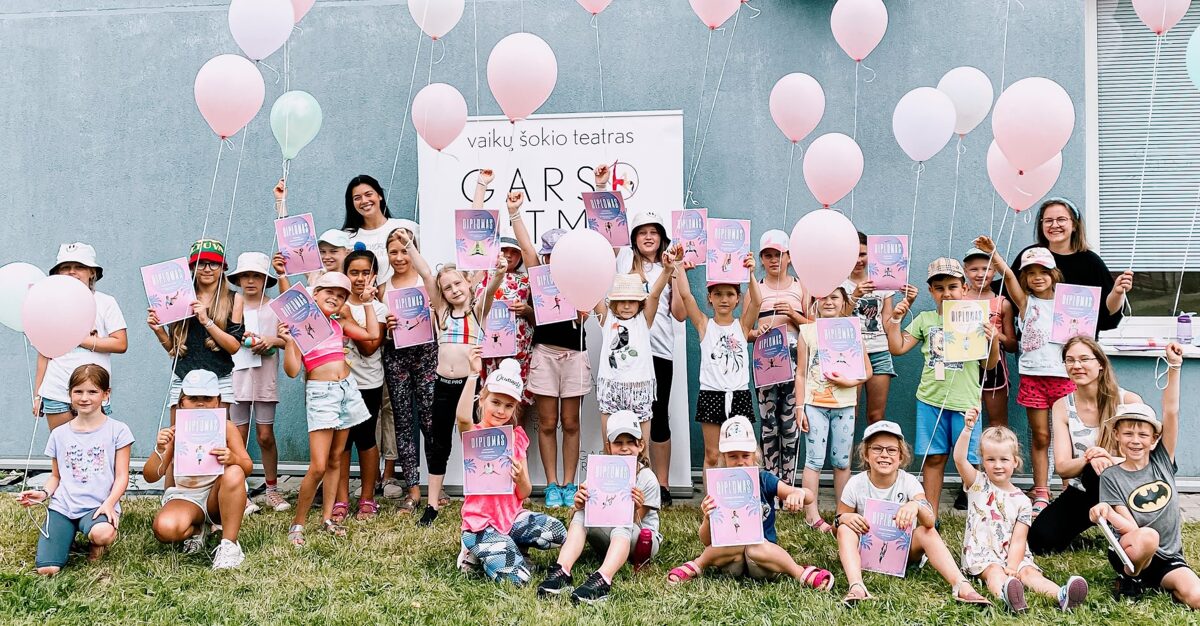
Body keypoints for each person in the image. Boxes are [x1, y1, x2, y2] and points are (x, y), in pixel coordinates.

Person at [884, 258, 1000, 513]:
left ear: (964, 289)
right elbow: (897, 347)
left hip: (966, 403)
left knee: (969, 461)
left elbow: (989, 366)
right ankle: (931, 513)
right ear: (931, 291)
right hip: (930, 400)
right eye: (939, 288)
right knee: (934, 457)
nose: (946, 293)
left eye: (952, 287)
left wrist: (994, 342)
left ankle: (977, 514)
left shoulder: (976, 319)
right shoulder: (925, 319)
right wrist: (895, 320)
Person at [665, 416, 833, 590]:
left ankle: (798, 572)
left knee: (754, 548)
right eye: (733, 456)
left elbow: (809, 496)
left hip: (762, 558)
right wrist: (707, 519)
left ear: (755, 455)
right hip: (731, 559)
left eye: (746, 455)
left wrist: (798, 494)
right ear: (724, 458)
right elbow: (707, 540)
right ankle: (698, 565)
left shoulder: (764, 480)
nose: (740, 461)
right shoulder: (719, 487)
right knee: (733, 543)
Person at [405, 235, 506, 526]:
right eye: (447, 287)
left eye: (458, 283)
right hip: (442, 386)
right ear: (442, 294)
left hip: (469, 386)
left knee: (474, 442)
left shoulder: (478, 310)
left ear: (468, 283)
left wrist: (498, 271)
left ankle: (480, 500)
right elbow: (425, 272)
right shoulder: (442, 313)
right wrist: (410, 245)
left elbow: (494, 282)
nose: (453, 290)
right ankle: (433, 504)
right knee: (439, 444)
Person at [1092, 344, 1200, 608]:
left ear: (1154, 440)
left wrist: (1174, 367)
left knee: (1196, 597)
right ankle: (1130, 579)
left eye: (1143, 435)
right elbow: (1129, 528)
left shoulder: (1162, 460)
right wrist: (1107, 512)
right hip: (1133, 553)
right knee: (1149, 537)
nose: (1135, 440)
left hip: (1168, 559)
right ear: (1116, 436)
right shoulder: (1112, 476)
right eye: (1128, 433)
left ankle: (1169, 586)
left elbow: (1171, 412)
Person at [837, 421, 989, 605]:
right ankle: (857, 587)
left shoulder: (909, 482)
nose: (884, 454)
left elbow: (930, 520)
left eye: (891, 450)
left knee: (928, 532)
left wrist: (915, 505)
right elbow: (836, 527)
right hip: (865, 552)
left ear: (901, 457)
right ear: (866, 455)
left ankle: (962, 586)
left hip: (904, 552)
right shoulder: (856, 483)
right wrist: (844, 518)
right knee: (845, 529)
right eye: (877, 448)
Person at [953, 409, 1089, 612]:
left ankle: (1062, 595)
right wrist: (967, 429)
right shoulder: (977, 484)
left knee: (1030, 574)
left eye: (1004, 459)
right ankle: (1006, 595)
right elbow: (959, 460)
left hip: (1015, 554)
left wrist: (1013, 566)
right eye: (991, 460)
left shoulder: (1023, 501)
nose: (997, 465)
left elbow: (1019, 538)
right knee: (994, 572)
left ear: (1015, 461)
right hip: (983, 554)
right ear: (983, 462)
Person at [978, 239, 1075, 517]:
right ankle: (1042, 490)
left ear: (1053, 273)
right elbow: (1007, 276)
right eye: (1031, 274)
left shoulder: (1067, 304)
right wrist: (994, 255)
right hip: (1034, 377)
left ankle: (1068, 488)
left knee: (1065, 436)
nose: (1037, 278)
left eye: (1043, 272)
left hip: (1062, 377)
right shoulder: (1025, 302)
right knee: (1041, 436)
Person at [280, 272, 379, 545]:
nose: (334, 297)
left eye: (341, 295)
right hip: (321, 393)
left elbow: (372, 334)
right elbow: (291, 371)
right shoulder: (300, 328)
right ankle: (298, 524)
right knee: (318, 465)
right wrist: (289, 341)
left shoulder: (338, 325)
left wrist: (368, 303)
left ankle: (326, 518)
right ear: (314, 295)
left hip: (347, 388)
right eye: (328, 292)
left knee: (337, 458)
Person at [457, 353, 567, 586]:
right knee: (519, 578)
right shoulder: (474, 435)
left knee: (557, 532)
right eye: (495, 402)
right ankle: (475, 550)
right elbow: (461, 418)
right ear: (482, 400)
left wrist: (519, 479)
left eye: (508, 406)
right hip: (480, 524)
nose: (501, 411)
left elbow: (524, 492)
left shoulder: (516, 438)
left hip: (511, 518)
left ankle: (506, 547)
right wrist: (473, 374)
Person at [1028, 336, 1141, 554]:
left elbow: (1143, 461)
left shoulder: (1128, 402)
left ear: (1100, 363)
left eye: (1084, 359)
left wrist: (1106, 458)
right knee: (1039, 541)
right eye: (1069, 360)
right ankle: (1102, 525)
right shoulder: (1062, 405)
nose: (1076, 365)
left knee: (1096, 471)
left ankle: (1126, 530)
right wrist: (1091, 457)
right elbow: (1062, 467)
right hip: (1083, 491)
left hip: (1125, 492)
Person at [17, 365, 132, 576]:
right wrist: (43, 494)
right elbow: (56, 476)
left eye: (92, 391)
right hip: (64, 507)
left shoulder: (118, 430)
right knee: (47, 569)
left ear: (106, 394)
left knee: (102, 533)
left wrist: (109, 504)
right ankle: (64, 536)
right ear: (70, 395)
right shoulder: (59, 434)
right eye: (78, 391)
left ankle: (95, 545)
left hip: (97, 506)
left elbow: (122, 476)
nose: (84, 398)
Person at [537, 410, 661, 604]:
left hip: (641, 542)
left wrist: (636, 507)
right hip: (610, 537)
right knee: (583, 513)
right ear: (609, 447)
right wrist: (578, 504)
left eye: (631, 442)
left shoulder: (647, 478)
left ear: (641, 445)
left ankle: (603, 579)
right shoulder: (600, 473)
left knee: (622, 520)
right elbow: (578, 515)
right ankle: (562, 571)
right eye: (618, 443)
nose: (625, 448)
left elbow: (637, 519)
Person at [143, 369, 252, 570]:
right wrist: (160, 449)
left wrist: (233, 458)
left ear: (217, 401)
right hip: (186, 496)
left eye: (207, 398)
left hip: (217, 497)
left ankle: (229, 545)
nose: (200, 403)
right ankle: (196, 530)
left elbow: (247, 466)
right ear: (182, 402)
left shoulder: (227, 427)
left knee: (235, 472)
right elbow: (151, 476)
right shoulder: (175, 432)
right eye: (193, 398)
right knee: (165, 529)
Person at [616, 199, 686, 507]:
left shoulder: (669, 268)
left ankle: (662, 484)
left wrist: (678, 271)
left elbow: (681, 314)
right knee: (627, 415)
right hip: (629, 352)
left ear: (662, 237)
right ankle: (626, 480)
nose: (648, 237)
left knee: (659, 417)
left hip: (659, 352)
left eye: (653, 232)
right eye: (641, 232)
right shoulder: (623, 264)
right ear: (633, 238)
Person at [677, 249, 762, 475]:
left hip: (739, 394)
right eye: (718, 294)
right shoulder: (705, 325)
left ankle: (742, 495)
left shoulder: (742, 326)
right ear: (710, 298)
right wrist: (678, 267)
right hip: (711, 395)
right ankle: (710, 504)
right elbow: (686, 297)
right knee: (713, 455)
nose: (724, 299)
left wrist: (751, 274)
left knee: (743, 452)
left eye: (730, 294)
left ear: (737, 298)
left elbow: (757, 302)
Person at [796, 287, 872, 533]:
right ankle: (812, 515)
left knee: (841, 462)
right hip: (815, 405)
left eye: (834, 297)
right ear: (815, 301)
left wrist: (850, 382)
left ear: (844, 302)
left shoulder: (853, 331)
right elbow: (800, 373)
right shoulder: (807, 332)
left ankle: (843, 514)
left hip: (844, 405)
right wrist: (799, 407)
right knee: (814, 460)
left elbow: (866, 371)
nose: (828, 301)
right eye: (823, 296)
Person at [148, 239, 245, 428]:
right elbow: (175, 350)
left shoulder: (235, 299)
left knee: (216, 439)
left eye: (214, 263)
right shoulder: (178, 297)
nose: (207, 268)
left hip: (219, 376)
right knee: (178, 439)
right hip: (184, 376)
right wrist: (159, 331)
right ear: (192, 267)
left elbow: (234, 347)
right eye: (201, 263)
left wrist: (207, 321)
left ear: (223, 267)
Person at [527, 228, 592, 508]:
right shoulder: (539, 279)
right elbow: (526, 251)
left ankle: (569, 484)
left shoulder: (580, 279)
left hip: (574, 355)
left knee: (571, 422)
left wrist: (583, 312)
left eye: (560, 253)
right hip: (545, 354)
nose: (554, 258)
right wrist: (514, 213)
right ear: (545, 255)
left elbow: (585, 318)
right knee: (547, 423)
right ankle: (552, 484)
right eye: (550, 253)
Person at [34, 242, 128, 430]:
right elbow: (44, 354)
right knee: (62, 450)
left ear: (92, 272)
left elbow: (120, 344)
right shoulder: (49, 305)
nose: (72, 272)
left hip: (94, 390)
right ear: (58, 274)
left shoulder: (105, 302)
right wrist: (38, 395)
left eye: (79, 267)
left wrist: (78, 339)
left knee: (94, 450)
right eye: (65, 267)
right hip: (56, 390)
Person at [1010, 198, 1132, 334]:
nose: (1054, 225)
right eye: (1048, 220)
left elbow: (1107, 312)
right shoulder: (1031, 256)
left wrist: (1117, 292)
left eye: (1061, 219)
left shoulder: (1090, 262)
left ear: (1074, 225)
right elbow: (1008, 293)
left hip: (1076, 347)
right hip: (1035, 348)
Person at [379, 225, 435, 512]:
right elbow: (376, 331)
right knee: (403, 422)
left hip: (426, 354)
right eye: (393, 251)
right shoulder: (381, 288)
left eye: (405, 250)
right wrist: (385, 328)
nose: (400, 257)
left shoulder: (428, 280)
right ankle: (413, 490)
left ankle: (435, 487)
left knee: (430, 421)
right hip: (396, 355)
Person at [227, 252, 288, 513]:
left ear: (266, 280)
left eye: (257, 276)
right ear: (238, 279)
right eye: (246, 276)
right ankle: (240, 491)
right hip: (236, 377)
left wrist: (270, 341)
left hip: (264, 377)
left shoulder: (274, 308)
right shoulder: (231, 307)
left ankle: (272, 489)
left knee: (265, 435)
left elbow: (287, 340)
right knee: (238, 436)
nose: (250, 281)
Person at [594, 250, 676, 444]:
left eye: (632, 301)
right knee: (610, 445)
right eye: (621, 301)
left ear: (640, 302)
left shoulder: (644, 319)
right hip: (611, 388)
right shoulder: (607, 319)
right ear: (613, 302)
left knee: (641, 448)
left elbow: (654, 295)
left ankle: (642, 474)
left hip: (640, 389)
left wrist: (666, 271)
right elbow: (596, 294)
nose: (627, 306)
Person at [334, 249, 389, 522]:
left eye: (364, 272)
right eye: (353, 272)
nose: (358, 278)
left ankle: (367, 497)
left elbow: (369, 347)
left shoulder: (378, 308)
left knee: (366, 439)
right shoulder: (334, 303)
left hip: (368, 383)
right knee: (341, 443)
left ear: (374, 275)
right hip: (337, 382)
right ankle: (341, 499)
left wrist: (347, 319)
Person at [476, 180, 538, 411]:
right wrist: (481, 185)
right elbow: (475, 235)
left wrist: (528, 311)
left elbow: (540, 318)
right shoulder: (482, 274)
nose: (509, 256)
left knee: (515, 406)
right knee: (491, 406)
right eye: (505, 250)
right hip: (490, 353)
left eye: (514, 252)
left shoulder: (527, 279)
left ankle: (516, 448)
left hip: (519, 352)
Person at [755, 229, 810, 479]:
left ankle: (788, 482)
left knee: (790, 422)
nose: (773, 260)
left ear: (789, 256)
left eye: (778, 254)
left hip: (795, 357)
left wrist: (792, 314)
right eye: (767, 255)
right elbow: (745, 330)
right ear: (761, 259)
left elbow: (814, 326)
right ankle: (770, 481)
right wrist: (758, 332)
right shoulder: (757, 288)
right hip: (765, 360)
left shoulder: (802, 287)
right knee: (769, 424)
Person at [842, 232, 895, 425]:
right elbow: (837, 321)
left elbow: (888, 322)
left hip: (879, 351)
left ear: (870, 255)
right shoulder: (838, 283)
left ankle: (871, 455)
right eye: (853, 254)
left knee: (876, 416)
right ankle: (844, 456)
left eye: (862, 254)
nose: (858, 260)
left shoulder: (883, 282)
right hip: (850, 353)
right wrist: (855, 295)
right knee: (848, 415)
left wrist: (905, 307)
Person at [961, 247, 1017, 429]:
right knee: (965, 422)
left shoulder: (1003, 303)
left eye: (986, 269)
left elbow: (1012, 345)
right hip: (963, 365)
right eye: (974, 269)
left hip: (995, 368)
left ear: (994, 270)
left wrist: (995, 334)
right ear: (965, 271)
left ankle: (1001, 458)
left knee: (997, 423)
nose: (980, 274)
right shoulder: (957, 300)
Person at [342, 174, 420, 284]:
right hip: (365, 300)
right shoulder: (345, 237)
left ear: (380, 195)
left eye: (368, 194)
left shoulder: (407, 227)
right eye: (357, 198)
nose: (364, 201)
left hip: (405, 297)